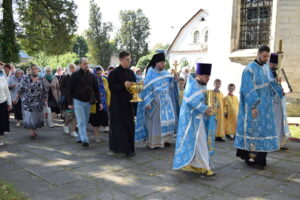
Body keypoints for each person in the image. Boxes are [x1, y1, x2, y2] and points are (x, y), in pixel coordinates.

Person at [235, 45, 278, 169]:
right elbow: (246, 88)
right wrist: (253, 106)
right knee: (254, 132)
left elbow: (269, 85)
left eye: (267, 56)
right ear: (258, 54)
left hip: (266, 109)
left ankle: (261, 159)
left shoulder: (265, 67)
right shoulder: (249, 69)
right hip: (254, 108)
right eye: (264, 56)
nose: (266, 58)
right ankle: (251, 159)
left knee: (263, 132)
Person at [173, 63, 216, 177]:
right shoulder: (192, 85)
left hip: (199, 118)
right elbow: (191, 101)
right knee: (201, 142)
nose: (208, 78)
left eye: (208, 76)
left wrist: (210, 106)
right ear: (199, 75)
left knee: (197, 143)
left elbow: (203, 100)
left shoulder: (202, 85)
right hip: (191, 119)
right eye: (206, 76)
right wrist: (204, 108)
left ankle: (194, 164)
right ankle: (205, 167)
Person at [135, 53, 179, 149]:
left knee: (168, 121)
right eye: (161, 63)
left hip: (166, 102)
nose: (163, 64)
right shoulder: (150, 74)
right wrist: (147, 102)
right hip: (155, 102)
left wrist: (175, 80)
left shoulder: (166, 74)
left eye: (164, 62)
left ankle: (165, 140)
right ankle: (154, 142)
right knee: (155, 123)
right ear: (156, 63)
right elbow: (145, 90)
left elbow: (170, 87)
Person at [108, 51, 136, 157]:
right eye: (127, 60)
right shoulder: (114, 73)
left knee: (129, 126)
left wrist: (135, 86)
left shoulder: (131, 73)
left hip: (128, 104)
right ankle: (117, 147)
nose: (129, 62)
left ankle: (129, 148)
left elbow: (133, 87)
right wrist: (123, 85)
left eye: (130, 60)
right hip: (117, 105)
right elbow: (111, 87)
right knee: (118, 127)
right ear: (120, 60)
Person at [69, 58, 101, 147]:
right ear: (80, 65)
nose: (86, 65)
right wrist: (70, 102)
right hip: (77, 101)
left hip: (88, 102)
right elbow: (70, 90)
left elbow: (97, 90)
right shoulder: (74, 75)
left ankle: (80, 137)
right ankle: (85, 139)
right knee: (81, 121)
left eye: (87, 63)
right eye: (84, 63)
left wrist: (100, 102)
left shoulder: (92, 76)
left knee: (85, 121)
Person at [14, 64, 48, 138]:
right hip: (28, 101)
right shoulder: (26, 78)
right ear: (30, 70)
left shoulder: (41, 79)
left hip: (38, 101)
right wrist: (16, 98)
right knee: (29, 116)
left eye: (36, 69)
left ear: (38, 70)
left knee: (36, 117)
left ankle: (34, 130)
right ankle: (32, 132)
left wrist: (45, 100)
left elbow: (45, 90)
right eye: (33, 69)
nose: (34, 70)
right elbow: (21, 89)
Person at [266, 53, 290, 150]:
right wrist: (275, 81)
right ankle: (273, 143)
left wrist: (282, 90)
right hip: (272, 102)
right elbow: (269, 83)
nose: (275, 66)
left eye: (276, 64)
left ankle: (279, 143)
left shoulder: (275, 72)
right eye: (273, 64)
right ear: (270, 62)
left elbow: (278, 84)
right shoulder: (267, 72)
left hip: (278, 101)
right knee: (274, 122)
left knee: (280, 122)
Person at [89, 66, 110, 143]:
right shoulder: (92, 80)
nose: (98, 74)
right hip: (95, 104)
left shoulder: (104, 79)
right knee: (95, 122)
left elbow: (108, 91)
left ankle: (103, 132)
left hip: (104, 103)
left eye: (100, 73)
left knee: (104, 121)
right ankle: (97, 136)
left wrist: (108, 102)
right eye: (97, 73)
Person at [60, 64, 78, 137]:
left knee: (76, 116)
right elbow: (61, 87)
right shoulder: (65, 77)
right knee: (69, 115)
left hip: (76, 99)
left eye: (73, 68)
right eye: (71, 68)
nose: (72, 69)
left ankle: (73, 131)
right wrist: (67, 92)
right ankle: (66, 125)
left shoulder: (77, 77)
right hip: (68, 100)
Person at [0, 69, 12, 146]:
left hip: (2, 102)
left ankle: (0, 139)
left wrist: (9, 103)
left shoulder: (2, 77)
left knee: (1, 122)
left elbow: (7, 91)